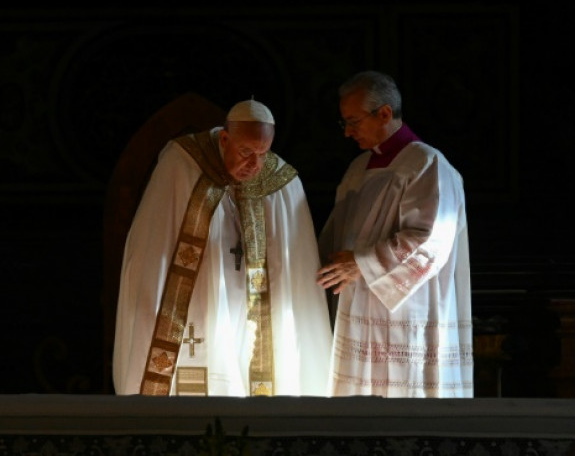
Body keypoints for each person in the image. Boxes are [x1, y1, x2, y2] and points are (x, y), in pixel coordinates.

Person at [113, 99, 332, 396]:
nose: (255, 165)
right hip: (199, 296)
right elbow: (151, 247)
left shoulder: (280, 181)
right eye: (246, 152)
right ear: (225, 139)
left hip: (251, 303)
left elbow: (296, 266)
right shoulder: (182, 164)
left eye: (263, 154)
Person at [316, 70, 473, 397]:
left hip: (406, 310)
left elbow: (429, 241)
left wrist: (361, 264)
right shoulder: (358, 168)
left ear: (384, 113)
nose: (347, 132)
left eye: (354, 121)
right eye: (344, 122)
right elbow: (336, 234)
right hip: (357, 306)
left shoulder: (427, 164)